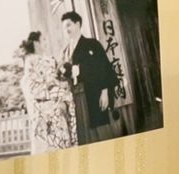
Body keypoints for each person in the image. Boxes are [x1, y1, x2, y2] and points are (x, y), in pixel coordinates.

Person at [60, 11, 120, 145]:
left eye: (69, 25)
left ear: (77, 24)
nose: (66, 29)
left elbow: (103, 68)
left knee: (101, 131)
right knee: (83, 133)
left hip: (94, 93)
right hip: (75, 98)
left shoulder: (92, 44)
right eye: (64, 27)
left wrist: (105, 92)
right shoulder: (65, 51)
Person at [18, 31, 76, 153]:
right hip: (43, 108)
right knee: (47, 146)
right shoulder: (30, 61)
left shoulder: (50, 59)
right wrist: (53, 90)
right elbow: (32, 86)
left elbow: (57, 78)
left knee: (61, 143)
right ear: (36, 43)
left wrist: (62, 83)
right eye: (43, 40)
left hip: (58, 106)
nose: (46, 43)